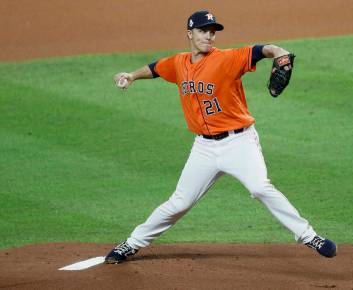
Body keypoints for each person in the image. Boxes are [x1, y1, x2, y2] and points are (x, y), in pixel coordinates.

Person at [105, 10, 336, 264]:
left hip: (239, 143)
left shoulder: (227, 59)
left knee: (260, 187)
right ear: (190, 34)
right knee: (179, 202)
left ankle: (309, 236)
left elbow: (263, 49)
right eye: (204, 30)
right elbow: (156, 68)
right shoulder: (179, 63)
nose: (210, 36)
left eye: (212, 31)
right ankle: (131, 244)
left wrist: (279, 52)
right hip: (203, 147)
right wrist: (131, 76)